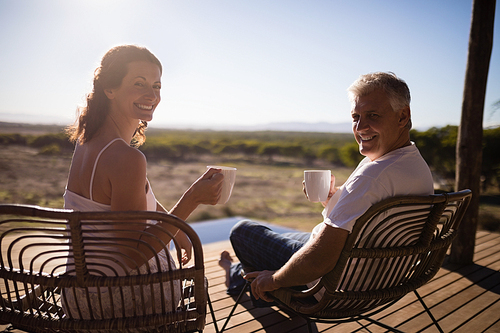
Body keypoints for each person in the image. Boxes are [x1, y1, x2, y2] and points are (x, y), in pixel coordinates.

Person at [219, 71, 434, 304]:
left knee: (243, 232)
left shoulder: (375, 175)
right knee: (278, 238)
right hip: (378, 278)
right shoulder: (414, 165)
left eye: (373, 115)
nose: (361, 127)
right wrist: (334, 199)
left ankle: (237, 276)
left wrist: (273, 281)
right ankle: (235, 271)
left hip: (331, 285)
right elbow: (363, 216)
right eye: (355, 117)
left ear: (403, 116)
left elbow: (320, 260)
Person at [63, 45, 224, 319]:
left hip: (79, 294)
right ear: (109, 89)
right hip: (122, 300)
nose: (152, 95)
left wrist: (177, 230)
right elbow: (133, 256)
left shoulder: (87, 141)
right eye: (139, 84)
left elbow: (132, 201)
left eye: (157, 85)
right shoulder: (126, 157)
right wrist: (192, 198)